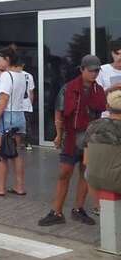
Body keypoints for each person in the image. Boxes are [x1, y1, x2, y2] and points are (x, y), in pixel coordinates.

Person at [38, 55, 105, 226]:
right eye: (91, 70)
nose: (94, 73)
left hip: (90, 138)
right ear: (82, 69)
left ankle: (78, 209)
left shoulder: (98, 90)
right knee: (64, 173)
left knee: (85, 173)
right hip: (71, 136)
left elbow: (100, 112)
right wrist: (58, 134)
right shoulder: (68, 88)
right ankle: (56, 211)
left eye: (97, 70)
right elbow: (59, 111)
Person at [0, 47, 28, 197]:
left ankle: (0, 187)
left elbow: (3, 99)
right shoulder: (21, 75)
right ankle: (19, 186)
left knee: (2, 153)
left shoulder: (6, 76)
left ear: (7, 59)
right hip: (19, 115)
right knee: (15, 153)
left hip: (6, 117)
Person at [84, 88, 121, 194]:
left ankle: (97, 207)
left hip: (94, 179)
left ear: (107, 107)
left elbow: (86, 160)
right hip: (117, 182)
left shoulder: (93, 125)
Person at [97, 42, 121, 117]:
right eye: (117, 53)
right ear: (112, 54)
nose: (120, 57)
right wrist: (111, 89)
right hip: (107, 117)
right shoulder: (102, 70)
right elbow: (95, 95)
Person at [20, 63, 36, 151]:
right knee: (27, 125)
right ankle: (28, 143)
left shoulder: (12, 75)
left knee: (16, 126)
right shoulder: (29, 76)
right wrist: (30, 104)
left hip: (16, 106)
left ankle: (18, 143)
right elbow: (31, 92)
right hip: (26, 104)